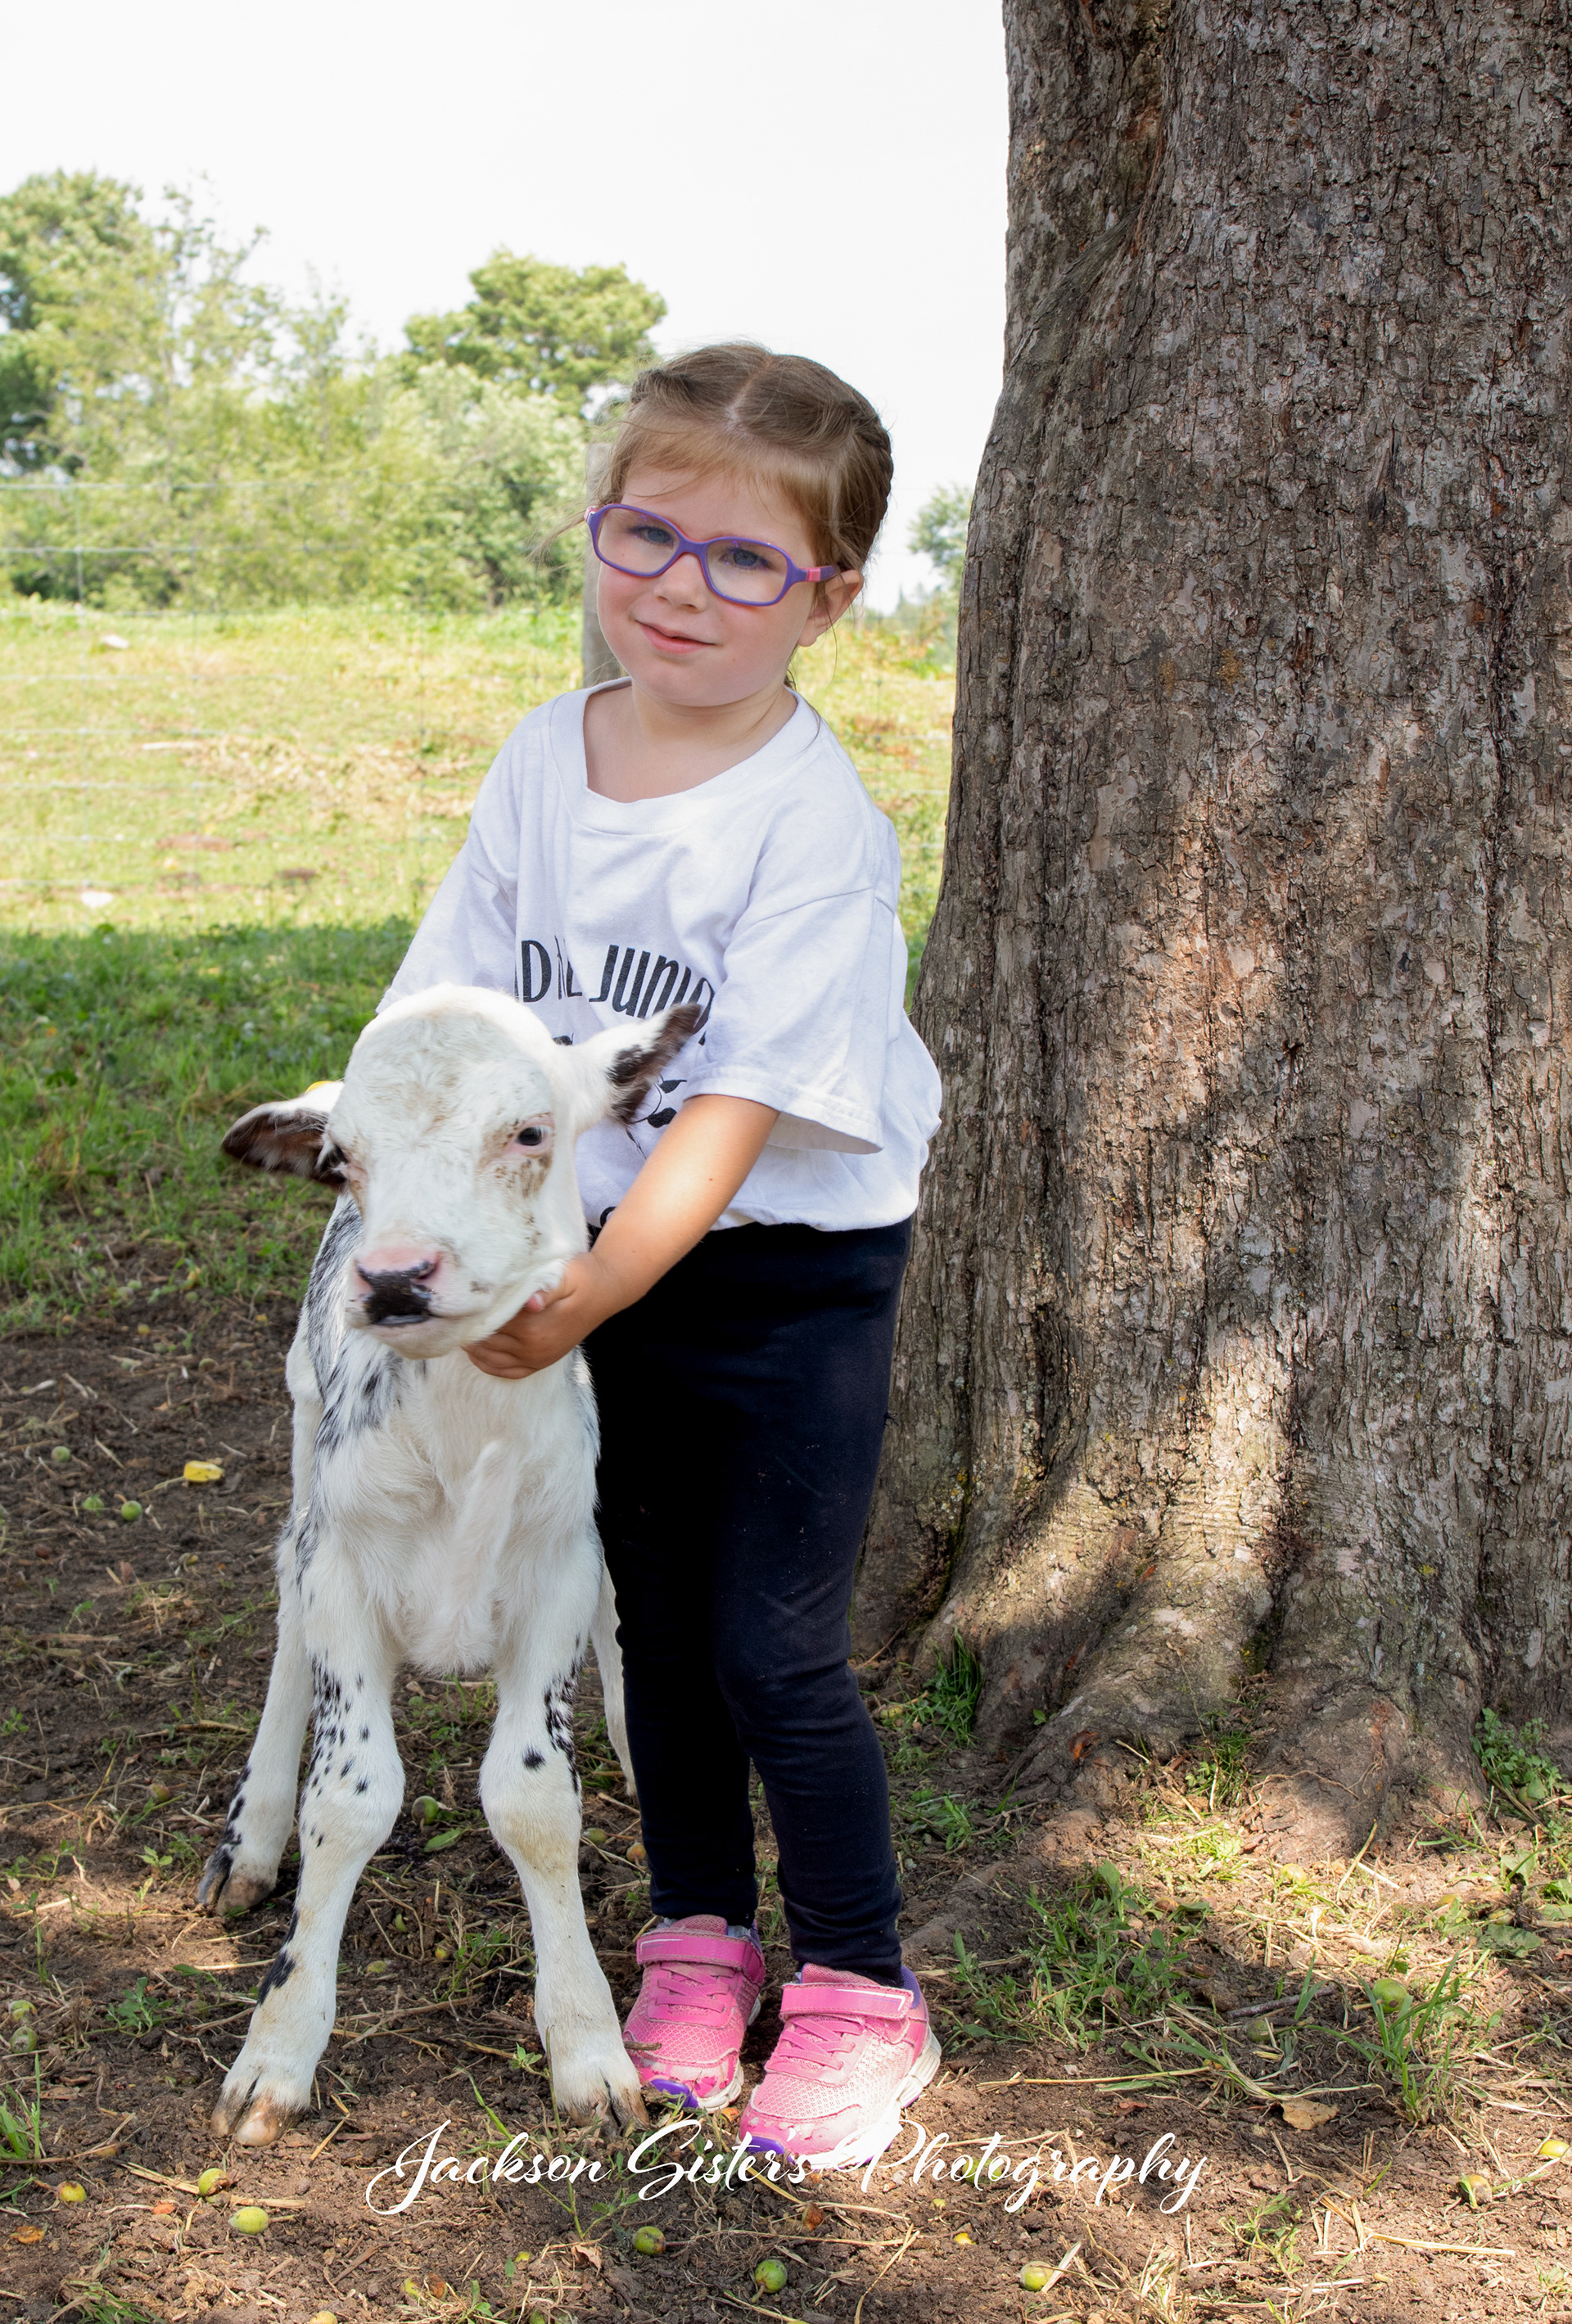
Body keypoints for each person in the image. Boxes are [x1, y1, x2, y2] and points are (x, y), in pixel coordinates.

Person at [384, 343, 942, 2169]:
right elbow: (451, 1008)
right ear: (599, 527)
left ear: (828, 598)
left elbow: (742, 1105)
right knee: (655, 1628)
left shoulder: (812, 823)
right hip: (592, 1270)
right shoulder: (547, 757)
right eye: (648, 535)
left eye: (745, 561)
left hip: (781, 1282)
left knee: (775, 1645)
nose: (682, 589)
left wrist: (599, 1291)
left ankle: (862, 1985)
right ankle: (699, 1937)